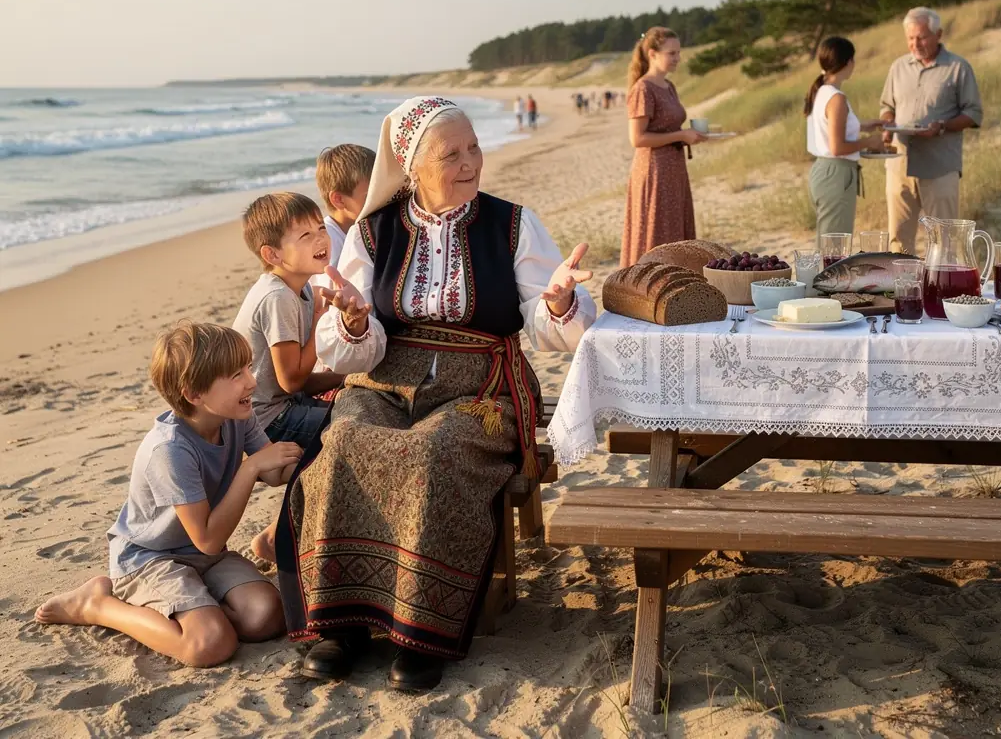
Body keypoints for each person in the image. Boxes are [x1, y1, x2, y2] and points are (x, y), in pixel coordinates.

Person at [275, 96, 597, 693]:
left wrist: (556, 303)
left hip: (478, 389)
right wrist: (349, 320)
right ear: (412, 168)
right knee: (343, 439)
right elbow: (355, 350)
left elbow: (551, 328)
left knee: (432, 452)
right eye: (452, 154)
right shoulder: (373, 234)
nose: (471, 162)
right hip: (384, 379)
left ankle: (416, 631)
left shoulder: (512, 224)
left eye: (474, 147)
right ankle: (341, 625)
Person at [34, 323, 301, 666]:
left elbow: (275, 472)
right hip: (150, 558)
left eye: (248, 367)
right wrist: (248, 470)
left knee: (267, 618)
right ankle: (97, 604)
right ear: (194, 395)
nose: (251, 380)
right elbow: (206, 537)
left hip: (205, 556)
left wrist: (321, 456)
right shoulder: (170, 450)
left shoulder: (235, 415)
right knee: (210, 646)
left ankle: (194, 607)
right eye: (236, 374)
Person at [232, 193, 342, 448]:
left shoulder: (299, 288)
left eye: (321, 228)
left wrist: (345, 377)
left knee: (364, 401)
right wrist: (319, 320)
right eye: (305, 236)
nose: (320, 238)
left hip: (289, 402)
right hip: (265, 421)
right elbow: (291, 381)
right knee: (355, 426)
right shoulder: (277, 298)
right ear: (272, 255)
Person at [880, 7, 984, 254]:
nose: (915, 43)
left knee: (943, 242)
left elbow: (973, 113)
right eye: (910, 38)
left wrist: (942, 127)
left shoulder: (958, 67)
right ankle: (900, 292)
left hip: (940, 168)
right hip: (899, 166)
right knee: (897, 243)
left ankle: (940, 293)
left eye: (922, 37)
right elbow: (886, 106)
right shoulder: (898, 67)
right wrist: (887, 125)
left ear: (939, 34)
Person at [620, 27, 707, 267]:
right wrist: (681, 134)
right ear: (653, 54)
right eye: (672, 53)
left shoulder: (668, 87)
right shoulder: (643, 89)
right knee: (655, 234)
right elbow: (637, 139)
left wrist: (688, 136)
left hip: (673, 170)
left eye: (678, 52)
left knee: (674, 233)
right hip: (654, 171)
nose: (677, 58)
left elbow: (666, 127)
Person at [804, 36, 885, 239]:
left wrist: (868, 124)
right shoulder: (837, 98)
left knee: (829, 243)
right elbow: (837, 147)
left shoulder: (821, 90)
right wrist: (870, 141)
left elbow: (831, 127)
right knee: (834, 248)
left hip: (824, 171)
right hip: (836, 174)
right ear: (848, 62)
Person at [309, 143, 375, 290]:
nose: (378, 201)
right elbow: (329, 298)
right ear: (339, 199)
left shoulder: (364, 229)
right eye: (369, 196)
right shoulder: (328, 242)